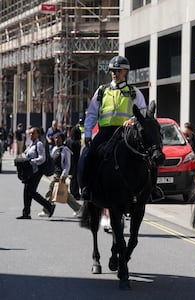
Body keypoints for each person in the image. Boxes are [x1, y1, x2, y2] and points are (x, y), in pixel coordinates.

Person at [81, 55, 163, 201]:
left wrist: (132, 120)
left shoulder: (134, 92)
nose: (115, 73)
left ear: (126, 72)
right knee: (89, 154)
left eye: (119, 70)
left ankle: (153, 188)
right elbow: (92, 113)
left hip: (128, 132)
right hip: (106, 132)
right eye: (113, 70)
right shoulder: (101, 91)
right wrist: (87, 133)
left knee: (150, 155)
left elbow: (143, 113)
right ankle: (87, 187)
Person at [38, 132, 82, 217]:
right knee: (65, 194)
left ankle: (47, 209)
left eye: (59, 138)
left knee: (51, 190)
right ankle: (78, 208)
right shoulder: (54, 149)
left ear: (63, 140)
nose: (57, 140)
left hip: (59, 175)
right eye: (55, 138)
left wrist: (63, 175)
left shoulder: (65, 150)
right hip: (53, 173)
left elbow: (67, 164)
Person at [16, 127, 56, 219]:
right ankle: (26, 213)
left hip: (37, 172)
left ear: (38, 134)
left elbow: (42, 158)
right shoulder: (30, 144)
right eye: (30, 133)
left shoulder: (39, 144)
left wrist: (30, 161)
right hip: (29, 171)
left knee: (31, 192)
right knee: (26, 192)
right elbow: (25, 155)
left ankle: (49, 206)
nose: (31, 135)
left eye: (33, 133)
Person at [66, 125, 82, 199]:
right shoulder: (77, 143)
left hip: (69, 160)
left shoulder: (68, 141)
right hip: (76, 161)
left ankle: (72, 191)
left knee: (72, 177)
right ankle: (75, 192)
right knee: (75, 177)